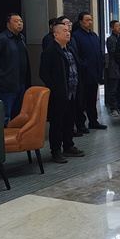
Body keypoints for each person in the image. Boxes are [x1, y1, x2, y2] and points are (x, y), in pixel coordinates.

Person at [39, 21, 85, 164]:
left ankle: (68, 146)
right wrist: (55, 88)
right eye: (64, 31)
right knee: (57, 123)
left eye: (68, 31)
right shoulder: (50, 51)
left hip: (73, 92)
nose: (67, 33)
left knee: (69, 121)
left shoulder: (70, 49)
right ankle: (56, 151)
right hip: (59, 94)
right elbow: (44, 73)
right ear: (55, 34)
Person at [0, 13, 31, 124]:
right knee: (5, 116)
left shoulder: (21, 38)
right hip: (6, 84)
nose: (20, 23)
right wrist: (1, 74)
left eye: (21, 21)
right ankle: (3, 135)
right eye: (16, 21)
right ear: (8, 24)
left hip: (21, 83)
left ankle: (15, 135)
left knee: (18, 116)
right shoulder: (1, 39)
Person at [72, 12, 107, 133]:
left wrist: (102, 62)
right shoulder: (76, 36)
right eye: (87, 20)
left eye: (91, 20)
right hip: (84, 73)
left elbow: (99, 50)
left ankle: (93, 121)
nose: (90, 22)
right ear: (81, 22)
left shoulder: (94, 35)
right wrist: (84, 65)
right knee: (81, 101)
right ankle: (80, 124)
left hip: (95, 72)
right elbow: (76, 54)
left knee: (92, 99)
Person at [105, 19, 120, 117]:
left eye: (119, 25)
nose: (119, 27)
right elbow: (113, 52)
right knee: (113, 89)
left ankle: (119, 106)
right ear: (112, 28)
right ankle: (113, 108)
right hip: (114, 67)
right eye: (117, 26)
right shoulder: (111, 39)